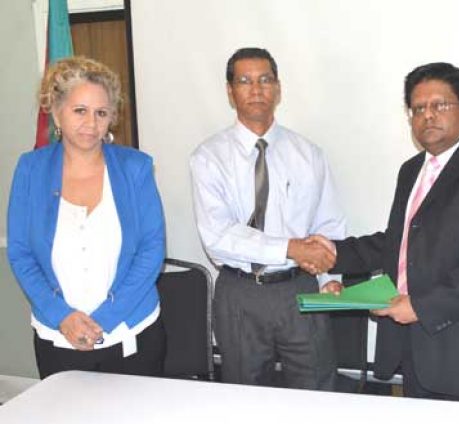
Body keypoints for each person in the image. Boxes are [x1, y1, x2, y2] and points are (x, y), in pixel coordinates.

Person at [314, 62, 459, 402]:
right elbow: (400, 245)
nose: (427, 115)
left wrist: (421, 307)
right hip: (413, 349)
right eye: (418, 109)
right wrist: (334, 255)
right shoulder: (411, 170)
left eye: (439, 105)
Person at [189, 47, 345, 390]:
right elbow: (219, 236)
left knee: (317, 389)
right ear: (230, 92)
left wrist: (328, 278)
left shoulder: (308, 154)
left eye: (265, 80)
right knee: (246, 395)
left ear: (278, 88)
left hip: (301, 288)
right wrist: (289, 248)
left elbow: (328, 224)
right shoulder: (208, 158)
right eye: (244, 81)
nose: (256, 89)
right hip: (241, 292)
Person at [7, 56, 166, 378]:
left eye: (101, 113)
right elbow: (21, 253)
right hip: (57, 335)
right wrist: (61, 316)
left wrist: (105, 318)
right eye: (80, 111)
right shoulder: (30, 169)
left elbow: (152, 249)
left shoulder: (135, 168)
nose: (91, 124)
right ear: (56, 111)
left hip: (130, 332)